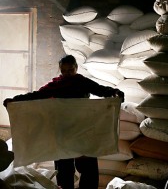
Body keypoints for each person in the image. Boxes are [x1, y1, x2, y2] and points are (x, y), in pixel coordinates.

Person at [3, 55, 124, 189]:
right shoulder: (56, 85)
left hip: (82, 131)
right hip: (62, 132)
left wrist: (114, 93)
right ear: (60, 70)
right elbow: (36, 95)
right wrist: (15, 100)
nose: (67, 73)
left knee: (87, 166)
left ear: (76, 68)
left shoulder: (83, 82)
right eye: (64, 70)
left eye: (70, 70)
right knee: (64, 168)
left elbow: (101, 90)